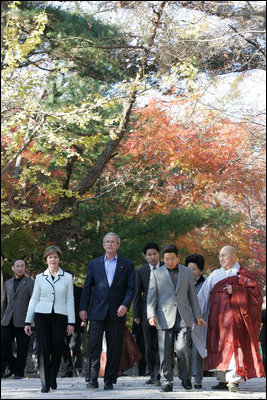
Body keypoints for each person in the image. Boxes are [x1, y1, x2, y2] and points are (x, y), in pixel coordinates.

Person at [193, 245, 265, 393]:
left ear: (233, 256)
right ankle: (222, 379)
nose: (221, 259)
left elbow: (256, 295)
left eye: (224, 255)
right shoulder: (215, 274)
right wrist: (197, 314)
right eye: (220, 256)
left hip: (235, 321)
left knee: (233, 349)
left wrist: (237, 290)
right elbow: (203, 296)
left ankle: (233, 380)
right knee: (218, 348)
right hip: (217, 321)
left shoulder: (243, 274)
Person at [79, 232, 135, 391]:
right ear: (103, 245)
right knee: (94, 345)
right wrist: (83, 308)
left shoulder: (127, 265)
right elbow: (87, 288)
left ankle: (110, 379)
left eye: (113, 242)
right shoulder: (94, 264)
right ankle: (92, 378)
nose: (110, 244)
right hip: (96, 310)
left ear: (118, 245)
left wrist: (125, 305)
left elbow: (131, 289)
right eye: (107, 242)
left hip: (117, 311)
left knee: (115, 346)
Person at [147, 244, 206, 392]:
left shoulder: (187, 273)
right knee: (165, 351)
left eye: (172, 258)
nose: (169, 261)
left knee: (183, 349)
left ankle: (185, 378)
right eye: (166, 259)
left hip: (183, 316)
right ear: (163, 259)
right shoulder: (156, 274)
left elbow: (192, 295)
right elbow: (151, 296)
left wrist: (197, 315)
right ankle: (166, 381)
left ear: (178, 258)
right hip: (163, 317)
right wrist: (151, 315)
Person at [24, 245, 75, 393]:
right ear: (46, 260)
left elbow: (69, 300)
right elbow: (34, 299)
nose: (53, 260)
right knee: (43, 348)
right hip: (42, 315)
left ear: (59, 259)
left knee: (57, 348)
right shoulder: (40, 277)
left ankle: (53, 376)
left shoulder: (67, 277)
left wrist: (71, 322)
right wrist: (28, 321)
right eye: (50, 257)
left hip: (60, 316)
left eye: (55, 257)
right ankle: (45, 383)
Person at [133, 242, 163, 385]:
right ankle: (152, 372)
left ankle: (160, 373)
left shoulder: (166, 268)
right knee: (149, 345)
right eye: (149, 254)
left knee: (162, 344)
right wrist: (136, 315)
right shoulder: (141, 271)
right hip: (146, 312)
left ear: (159, 254)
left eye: (155, 254)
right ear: (145, 257)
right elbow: (137, 294)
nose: (152, 257)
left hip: (164, 311)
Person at [1, 258, 34, 379]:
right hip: (7, 320)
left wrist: (31, 320)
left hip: (23, 320)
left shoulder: (31, 283)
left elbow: (33, 302)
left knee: (22, 348)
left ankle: (19, 372)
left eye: (22, 266)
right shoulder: (7, 283)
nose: (20, 268)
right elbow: (4, 302)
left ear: (24, 268)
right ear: (13, 268)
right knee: (3, 344)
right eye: (17, 266)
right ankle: (14, 367)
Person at [184, 253, 205, 389]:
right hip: (184, 319)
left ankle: (198, 379)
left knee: (197, 349)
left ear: (200, 271)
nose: (191, 271)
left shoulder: (205, 283)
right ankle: (185, 378)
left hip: (199, 320)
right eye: (188, 268)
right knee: (184, 349)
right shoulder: (182, 281)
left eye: (194, 269)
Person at [61, 271, 84, 378]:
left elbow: (83, 307)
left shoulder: (79, 291)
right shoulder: (59, 291)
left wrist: (85, 320)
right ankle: (68, 369)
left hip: (77, 324)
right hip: (63, 323)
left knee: (74, 345)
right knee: (64, 346)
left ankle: (78, 367)